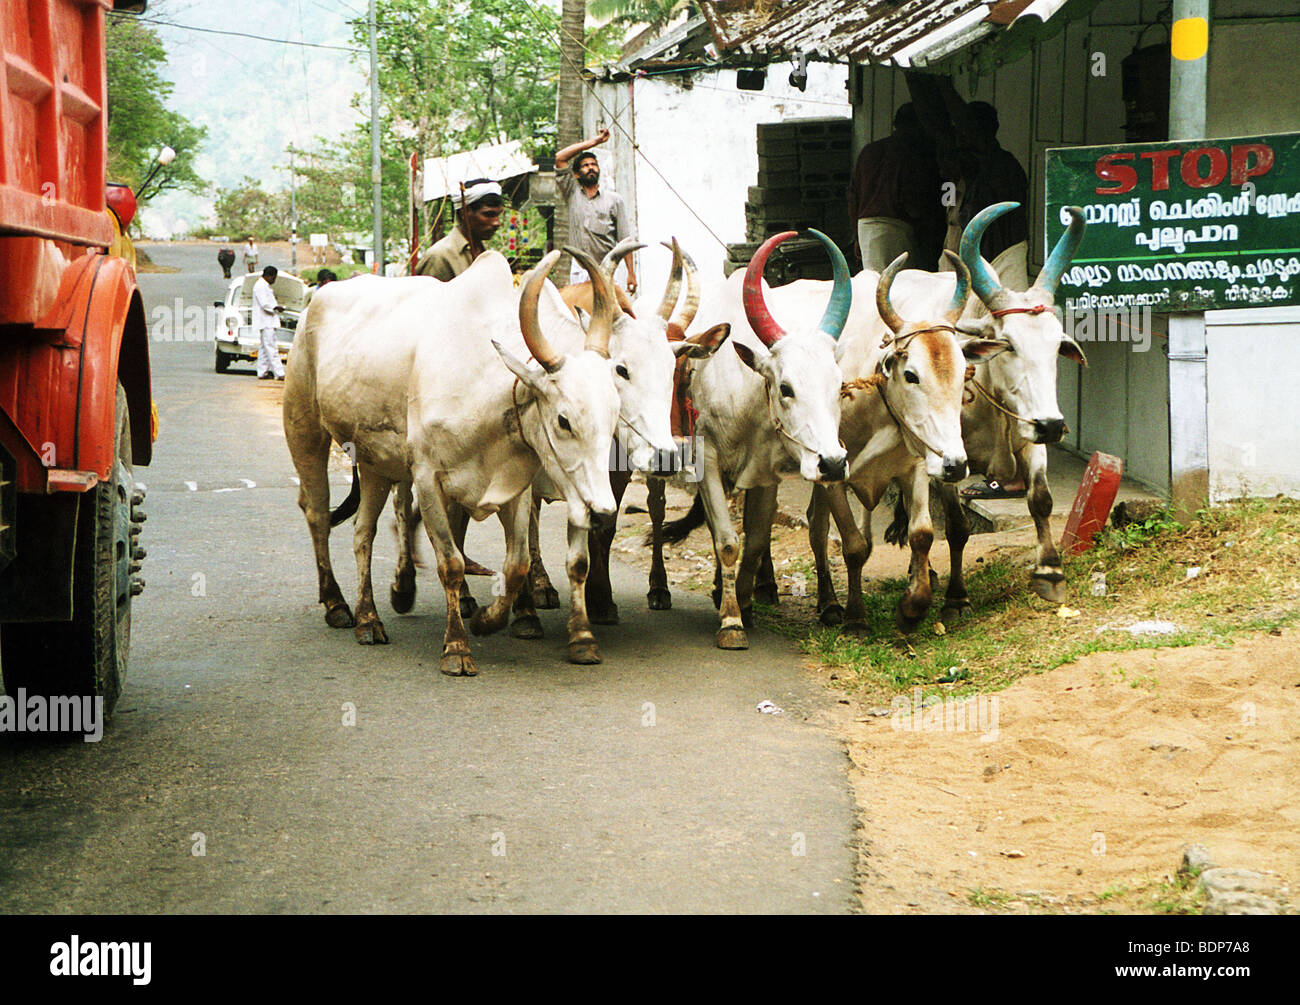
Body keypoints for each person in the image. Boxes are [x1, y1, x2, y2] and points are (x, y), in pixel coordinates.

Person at [847, 103, 944, 275]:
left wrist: (856, 235)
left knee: (874, 282)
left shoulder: (869, 150)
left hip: (865, 227)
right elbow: (913, 203)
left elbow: (853, 196)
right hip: (894, 228)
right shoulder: (912, 153)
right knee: (898, 285)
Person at [554, 129, 637, 292]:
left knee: (610, 316)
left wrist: (631, 273)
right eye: (585, 166)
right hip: (580, 270)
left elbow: (625, 240)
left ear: (599, 169)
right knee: (581, 316)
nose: (590, 168)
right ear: (577, 174)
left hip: (607, 270)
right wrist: (594, 142)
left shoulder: (614, 200)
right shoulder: (571, 193)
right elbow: (559, 158)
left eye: (593, 164)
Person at [413, 179, 505, 280]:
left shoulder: (484, 254)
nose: (497, 223)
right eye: (488, 214)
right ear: (464, 213)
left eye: (498, 215)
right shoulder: (439, 256)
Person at [252, 265, 285, 381]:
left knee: (264, 349)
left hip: (267, 321)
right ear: (269, 276)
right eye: (274, 278)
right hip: (266, 321)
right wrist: (276, 308)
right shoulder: (261, 286)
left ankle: (262, 372)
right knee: (271, 348)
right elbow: (265, 304)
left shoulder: (263, 285)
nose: (274, 280)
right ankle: (280, 373)